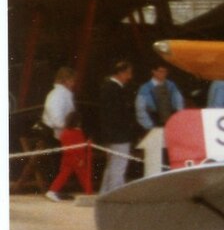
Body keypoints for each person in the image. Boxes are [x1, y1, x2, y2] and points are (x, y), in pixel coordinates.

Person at [135, 63, 185, 177]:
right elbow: (140, 109)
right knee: (154, 158)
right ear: (154, 72)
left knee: (169, 155)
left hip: (170, 124)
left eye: (165, 72)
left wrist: (177, 121)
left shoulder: (171, 86)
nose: (163, 74)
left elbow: (179, 103)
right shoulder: (145, 88)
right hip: (153, 124)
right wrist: (149, 127)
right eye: (161, 71)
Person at [98, 60, 139, 194]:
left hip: (110, 135)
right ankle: (114, 194)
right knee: (118, 166)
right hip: (119, 135)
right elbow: (117, 115)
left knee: (111, 166)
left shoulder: (107, 87)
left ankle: (105, 193)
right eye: (128, 73)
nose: (130, 77)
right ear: (121, 73)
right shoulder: (114, 89)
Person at [45, 111, 93, 203]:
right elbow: (81, 148)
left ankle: (52, 190)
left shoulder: (65, 133)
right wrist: (80, 159)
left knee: (63, 176)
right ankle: (89, 193)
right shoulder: (78, 133)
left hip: (68, 158)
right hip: (77, 159)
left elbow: (66, 147)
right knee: (84, 177)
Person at [41, 67, 76, 140]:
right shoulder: (57, 95)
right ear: (65, 80)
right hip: (54, 136)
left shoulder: (63, 94)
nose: (74, 84)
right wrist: (70, 126)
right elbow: (57, 121)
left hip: (60, 133)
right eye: (72, 80)